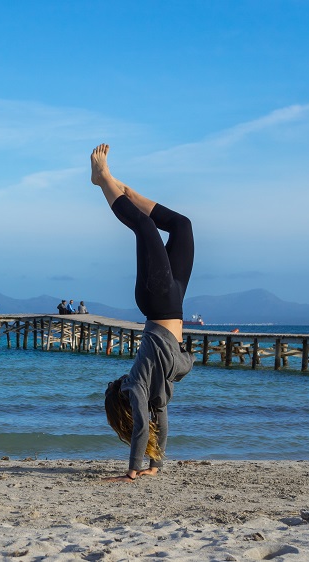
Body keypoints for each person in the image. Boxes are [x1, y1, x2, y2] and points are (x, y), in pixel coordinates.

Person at [90, 143, 195, 483]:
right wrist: (143, 469)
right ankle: (110, 183)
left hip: (157, 301)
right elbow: (152, 422)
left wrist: (140, 467)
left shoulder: (143, 382)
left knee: (147, 227)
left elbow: (149, 422)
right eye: (116, 385)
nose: (120, 379)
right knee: (182, 226)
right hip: (173, 301)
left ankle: (108, 181)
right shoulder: (140, 389)